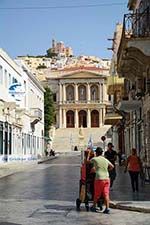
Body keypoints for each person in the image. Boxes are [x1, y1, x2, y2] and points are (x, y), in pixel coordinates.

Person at [88, 147, 114, 214]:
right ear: (102, 153)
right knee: (106, 194)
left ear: (96, 153)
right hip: (107, 178)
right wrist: (107, 170)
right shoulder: (105, 159)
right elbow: (112, 166)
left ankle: (94, 206)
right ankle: (107, 208)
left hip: (99, 178)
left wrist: (88, 154)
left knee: (97, 194)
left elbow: (87, 162)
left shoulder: (95, 159)